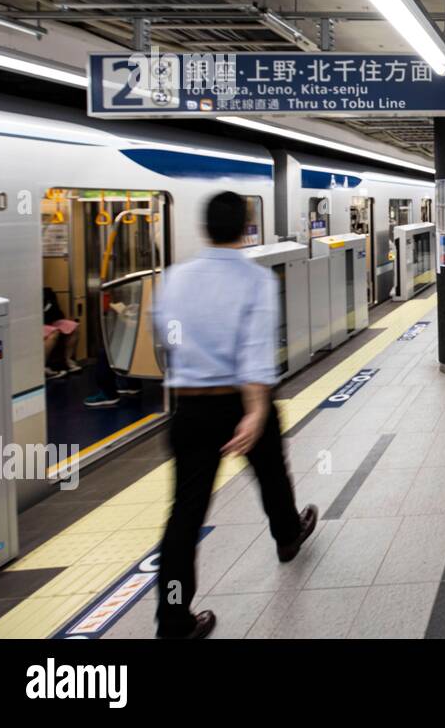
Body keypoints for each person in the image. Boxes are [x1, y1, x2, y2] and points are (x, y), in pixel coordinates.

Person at [152, 191, 317, 639]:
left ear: (204, 228)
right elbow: (254, 351)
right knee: (271, 475)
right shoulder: (254, 281)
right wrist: (255, 411)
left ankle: (172, 618)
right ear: (246, 228)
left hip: (190, 406)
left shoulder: (175, 280)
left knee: (184, 514)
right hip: (240, 402)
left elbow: (165, 340)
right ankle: (287, 536)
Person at [42, 288, 80, 380]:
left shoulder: (48, 292)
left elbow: (58, 313)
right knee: (54, 333)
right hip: (39, 323)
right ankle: (42, 366)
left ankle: (68, 360)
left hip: (51, 320)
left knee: (74, 326)